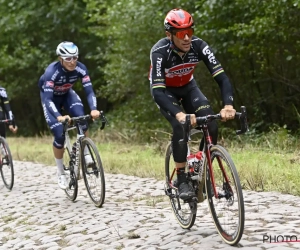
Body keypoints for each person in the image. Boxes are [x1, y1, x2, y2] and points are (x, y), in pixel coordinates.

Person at [149, 8, 236, 200]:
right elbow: (157, 92)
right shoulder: (159, 52)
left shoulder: (199, 46)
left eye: (190, 31)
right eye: (181, 34)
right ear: (169, 35)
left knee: (211, 124)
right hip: (166, 92)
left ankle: (203, 168)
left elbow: (222, 78)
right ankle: (181, 179)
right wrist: (179, 114)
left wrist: (228, 105)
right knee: (181, 126)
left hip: (188, 88)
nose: (187, 37)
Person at [38, 41, 100, 190]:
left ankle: (85, 153)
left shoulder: (81, 68)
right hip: (51, 100)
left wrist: (93, 109)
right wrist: (59, 116)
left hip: (67, 95)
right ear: (60, 58)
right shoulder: (51, 72)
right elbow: (47, 99)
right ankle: (60, 173)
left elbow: (89, 91)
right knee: (59, 133)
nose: (72, 62)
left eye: (75, 57)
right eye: (68, 59)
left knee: (82, 119)